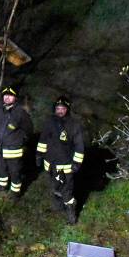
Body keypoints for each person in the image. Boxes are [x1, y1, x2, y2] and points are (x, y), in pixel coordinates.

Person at [36, 96, 85, 224]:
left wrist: (77, 163)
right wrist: (39, 155)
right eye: (58, 108)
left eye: (63, 108)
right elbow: (43, 140)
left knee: (67, 191)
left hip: (66, 166)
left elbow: (79, 146)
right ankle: (59, 208)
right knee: (55, 187)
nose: (60, 111)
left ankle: (71, 216)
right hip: (50, 164)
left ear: (67, 109)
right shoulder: (49, 122)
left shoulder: (74, 125)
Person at [0, 86, 33, 200]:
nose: (7, 97)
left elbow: (29, 129)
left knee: (15, 171)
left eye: (10, 96)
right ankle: (2, 185)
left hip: (13, 150)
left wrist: (21, 141)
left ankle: (15, 192)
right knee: (0, 168)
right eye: (5, 95)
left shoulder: (20, 113)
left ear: (15, 98)